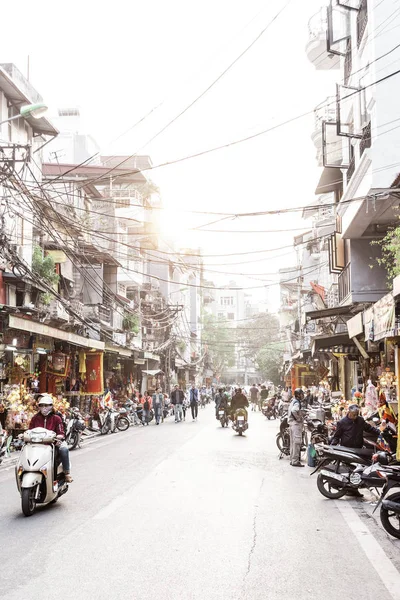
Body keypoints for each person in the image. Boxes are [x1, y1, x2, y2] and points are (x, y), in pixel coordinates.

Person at [29, 394, 73, 483]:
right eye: (41, 405)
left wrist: (59, 437)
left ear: (51, 406)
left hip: (53, 443)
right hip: (38, 444)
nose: (44, 408)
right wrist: (24, 435)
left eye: (46, 405)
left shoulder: (57, 418)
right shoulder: (35, 418)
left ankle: (66, 473)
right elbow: (30, 430)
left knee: (64, 450)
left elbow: (61, 432)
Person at [288, 388, 305, 467]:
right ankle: (295, 461)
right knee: (297, 443)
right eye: (301, 394)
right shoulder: (297, 403)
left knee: (293, 443)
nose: (302, 395)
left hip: (291, 424)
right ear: (298, 395)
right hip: (295, 424)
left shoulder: (293, 401)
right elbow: (294, 411)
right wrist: (298, 418)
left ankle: (292, 460)